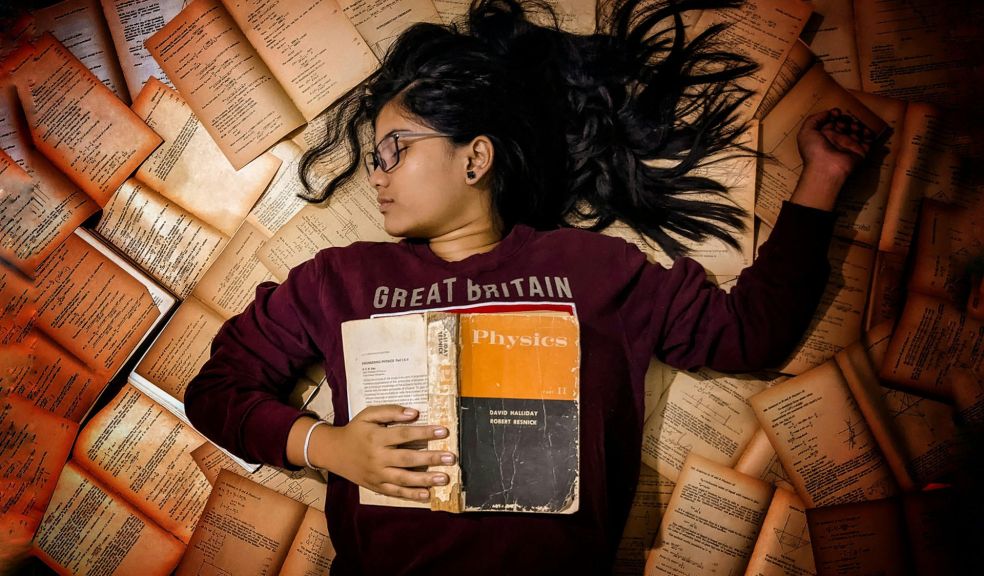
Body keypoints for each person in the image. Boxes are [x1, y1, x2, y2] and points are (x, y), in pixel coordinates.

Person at [185, 1, 873, 573]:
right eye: (372, 158)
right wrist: (323, 445)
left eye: (395, 149)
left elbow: (747, 334)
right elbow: (215, 393)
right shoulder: (339, 278)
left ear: (475, 157)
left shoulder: (594, 269)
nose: (377, 175)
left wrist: (823, 179)